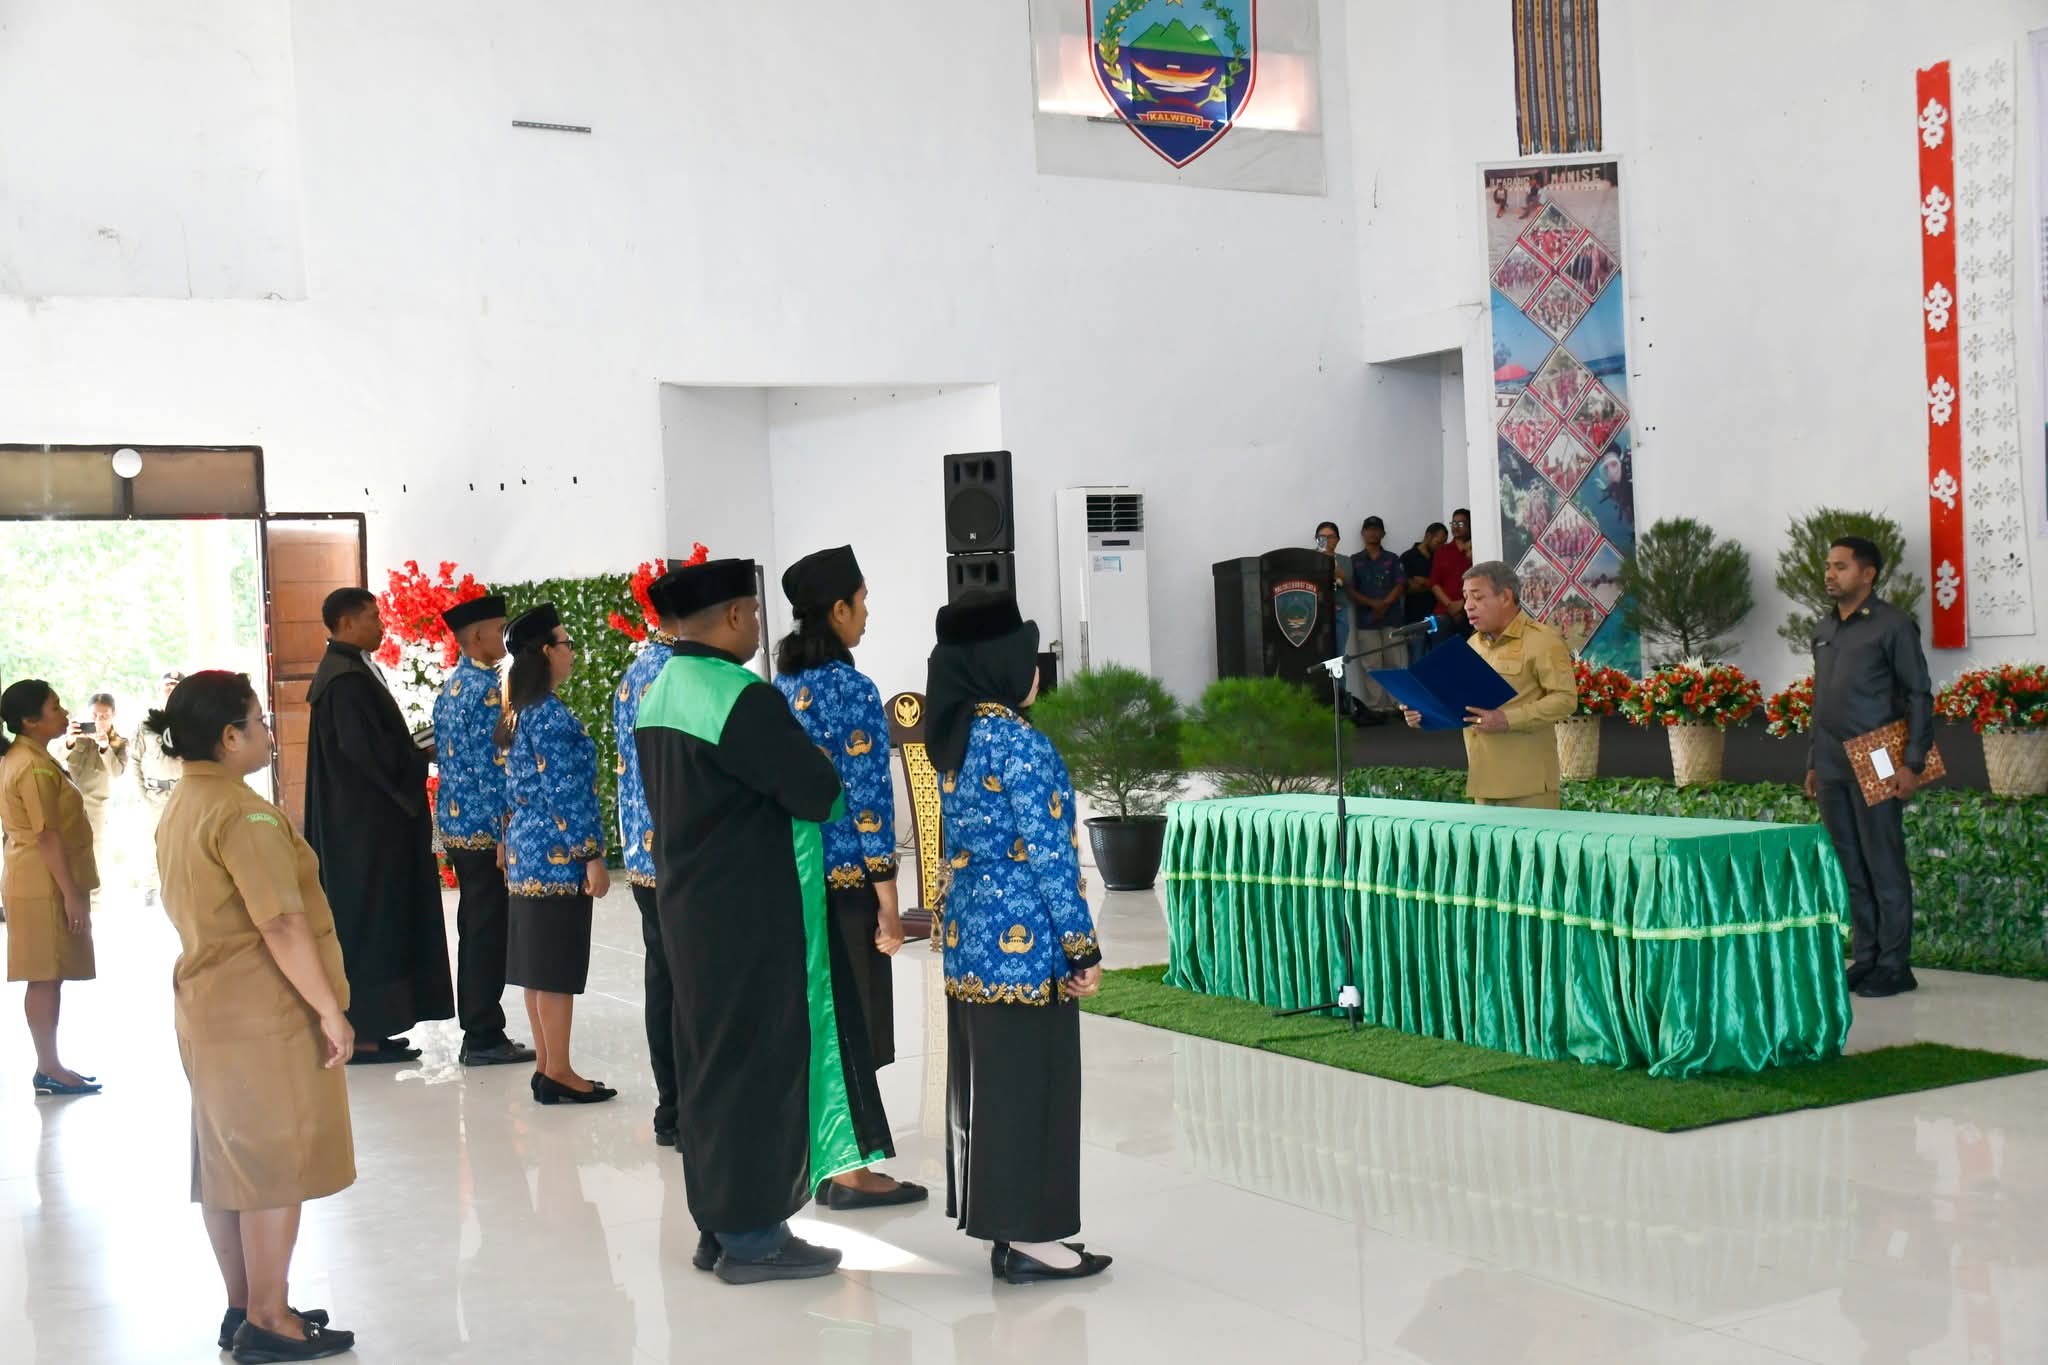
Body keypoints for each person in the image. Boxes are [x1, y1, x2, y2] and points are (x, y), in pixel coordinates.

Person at [634, 557, 889, 1285]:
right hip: (751, 914)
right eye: (751, 613)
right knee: (755, 1066)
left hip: (691, 908)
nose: (755, 626)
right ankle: (753, 1236)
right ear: (734, 617)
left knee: (709, 1064)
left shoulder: (661, 691)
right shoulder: (738, 697)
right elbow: (817, 790)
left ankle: (719, 1226)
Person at [149, 671, 356, 1363]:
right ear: (229, 737)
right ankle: (270, 1318)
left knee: (230, 1162)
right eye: (259, 722)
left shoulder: (183, 803)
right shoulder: (244, 814)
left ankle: (244, 1306)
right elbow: (281, 922)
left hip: (208, 1007)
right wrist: (328, 1008)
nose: (268, 732)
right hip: (262, 1012)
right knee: (273, 1163)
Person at [928, 592, 1112, 1285]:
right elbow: (1053, 857)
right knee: (1037, 1087)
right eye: (1027, 656)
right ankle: (1032, 1240)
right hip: (1031, 949)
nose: (1037, 670)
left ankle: (1008, 1230)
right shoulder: (1023, 745)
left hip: (973, 945)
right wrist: (1082, 948)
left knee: (997, 1088)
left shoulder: (954, 739)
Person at [773, 545, 926, 1211]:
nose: (867, 615)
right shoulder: (853, 691)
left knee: (821, 1016)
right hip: (845, 886)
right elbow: (867, 804)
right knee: (853, 1021)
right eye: (861, 603)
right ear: (837, 610)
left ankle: (829, 1157)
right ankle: (852, 1171)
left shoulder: (781, 689)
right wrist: (889, 901)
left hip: (796, 879)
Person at [304, 586, 454, 1063]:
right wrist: (417, 756)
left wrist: (410, 753)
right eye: (372, 617)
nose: (381, 624)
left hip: (365, 826)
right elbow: (366, 754)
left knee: (380, 920)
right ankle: (365, 1032)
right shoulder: (345, 681)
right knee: (368, 923)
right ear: (347, 623)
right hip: (363, 832)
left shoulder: (350, 669)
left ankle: (377, 1026)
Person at [1805, 537, 1935, 999]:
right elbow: (1821, 699)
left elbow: (1918, 695)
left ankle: (1896, 966)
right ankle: (1867, 957)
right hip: (1831, 760)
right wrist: (1814, 761)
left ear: (1868, 574)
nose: (1830, 574)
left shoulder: (1893, 625)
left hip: (1877, 754)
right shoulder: (1823, 628)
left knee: (1883, 862)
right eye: (1828, 565)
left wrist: (1912, 762)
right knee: (1851, 865)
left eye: (1840, 566)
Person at [497, 603, 614, 1105]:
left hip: (527, 853)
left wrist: (505, 841)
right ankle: (560, 1071)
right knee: (556, 968)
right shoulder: (550, 716)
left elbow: (509, 790)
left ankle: (547, 1066)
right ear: (546, 651)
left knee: (537, 965)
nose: (571, 652)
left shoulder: (520, 711)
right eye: (566, 644)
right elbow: (566, 794)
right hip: (557, 856)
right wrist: (590, 855)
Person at [430, 592, 534, 1068]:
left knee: (475, 927)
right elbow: (496, 769)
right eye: (498, 629)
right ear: (476, 637)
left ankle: (480, 1028)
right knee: (486, 932)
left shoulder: (452, 686)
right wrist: (504, 834)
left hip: (459, 825)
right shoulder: (490, 691)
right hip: (486, 831)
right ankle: (483, 1033)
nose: (504, 636)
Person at [1403, 561, 1577, 808]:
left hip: (1528, 784)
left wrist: (1507, 719)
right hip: (1483, 781)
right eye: (1465, 597)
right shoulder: (1473, 644)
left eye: (1477, 597)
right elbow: (1461, 704)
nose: (1468, 606)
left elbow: (1565, 700)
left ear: (1505, 597)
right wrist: (1423, 712)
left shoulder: (1542, 641)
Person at [615, 569, 689, 1148]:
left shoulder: (635, 670)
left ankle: (672, 1108)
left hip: (643, 853)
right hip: (680, 851)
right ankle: (689, 1110)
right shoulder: (681, 675)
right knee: (688, 983)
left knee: (662, 978)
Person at [2, 680, 101, 1096]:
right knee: (44, 975)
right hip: (42, 882)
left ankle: (50, 1065)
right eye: (55, 707)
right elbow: (47, 835)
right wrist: (71, 895)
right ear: (30, 720)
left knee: (49, 974)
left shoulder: (29, 757)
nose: (64, 714)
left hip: (36, 877)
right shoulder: (33, 765)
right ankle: (48, 1067)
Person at [134, 671, 186, 907]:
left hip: (183, 792)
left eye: (176, 684)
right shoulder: (146, 724)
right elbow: (135, 759)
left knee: (184, 842)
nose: (171, 688)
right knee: (153, 843)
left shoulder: (192, 721)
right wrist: (142, 794)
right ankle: (151, 891)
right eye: (167, 685)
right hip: (154, 794)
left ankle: (182, 890)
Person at [1346, 517, 1407, 720]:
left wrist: (1384, 604)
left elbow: (1400, 584)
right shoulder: (1354, 560)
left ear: (1383, 534)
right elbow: (1350, 589)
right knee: (1371, 665)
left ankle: (1398, 705)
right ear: (1363, 533)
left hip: (1392, 619)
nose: (1372, 533)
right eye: (1369, 529)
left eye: (1376, 529)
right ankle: (1377, 708)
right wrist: (1374, 605)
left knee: (1395, 663)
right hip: (1367, 620)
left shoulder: (1393, 558)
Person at [61, 692, 127, 857]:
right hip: (66, 804)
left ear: (114, 714)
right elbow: (53, 759)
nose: (98, 720)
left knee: (93, 856)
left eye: (104, 716)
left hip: (95, 808)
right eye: (94, 715)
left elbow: (117, 772)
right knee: (65, 855)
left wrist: (105, 747)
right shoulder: (77, 735)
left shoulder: (119, 742)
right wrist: (69, 741)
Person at [1314, 521, 1356, 713]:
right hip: (1316, 615)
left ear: (1337, 540)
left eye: (1330, 537)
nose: (1326, 540)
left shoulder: (1345, 560)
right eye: (1322, 537)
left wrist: (1332, 563)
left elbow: (1346, 581)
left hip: (1338, 612)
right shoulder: (1309, 558)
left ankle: (1340, 703)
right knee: (1316, 656)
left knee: (1338, 657)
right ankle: (1319, 701)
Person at [1402, 523, 1449, 653]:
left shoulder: (1441, 558)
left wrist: (1425, 582)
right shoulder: (1408, 557)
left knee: (1437, 657)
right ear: (1428, 536)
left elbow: (1445, 585)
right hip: (1415, 617)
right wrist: (1434, 586)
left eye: (1444, 543)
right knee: (1417, 657)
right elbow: (1407, 587)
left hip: (1437, 617)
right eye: (1438, 542)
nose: (1441, 547)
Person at [1430, 509, 1476, 639]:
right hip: (1444, 610)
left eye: (1460, 523)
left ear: (1470, 525)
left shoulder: (1477, 550)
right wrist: (1450, 605)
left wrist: (1462, 604)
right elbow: (1434, 583)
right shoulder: (1442, 551)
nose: (1456, 527)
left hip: (1470, 609)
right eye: (1453, 523)